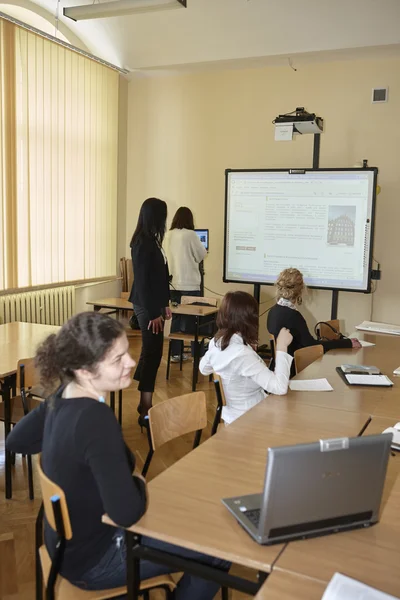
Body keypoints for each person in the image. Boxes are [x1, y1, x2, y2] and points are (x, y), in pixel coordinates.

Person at [6, 312, 229, 599]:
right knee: (216, 549)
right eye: (118, 359)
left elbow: (16, 438)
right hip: (95, 560)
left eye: (127, 353)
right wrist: (137, 482)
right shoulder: (95, 419)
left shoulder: (63, 395)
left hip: (62, 543)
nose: (131, 362)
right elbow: (127, 513)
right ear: (85, 370)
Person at [199, 291, 293, 424]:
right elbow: (280, 388)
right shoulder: (241, 354)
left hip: (234, 416)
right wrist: (282, 347)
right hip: (250, 419)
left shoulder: (217, 342)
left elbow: (203, 369)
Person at [267, 268, 361, 375]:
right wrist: (346, 343)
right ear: (301, 289)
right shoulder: (293, 315)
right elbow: (311, 346)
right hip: (295, 368)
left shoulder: (273, 311)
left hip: (280, 366)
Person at [129, 198, 171, 426]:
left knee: (152, 352)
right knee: (152, 352)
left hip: (153, 304)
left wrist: (164, 303)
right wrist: (155, 312)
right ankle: (145, 406)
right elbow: (144, 283)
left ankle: (144, 401)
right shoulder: (143, 243)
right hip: (147, 306)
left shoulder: (151, 240)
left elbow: (159, 278)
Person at [165, 206, 207, 362]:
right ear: (190, 220)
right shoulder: (190, 235)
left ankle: (175, 354)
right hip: (190, 285)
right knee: (196, 320)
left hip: (173, 284)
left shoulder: (168, 235)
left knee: (176, 318)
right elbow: (201, 255)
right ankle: (198, 355)